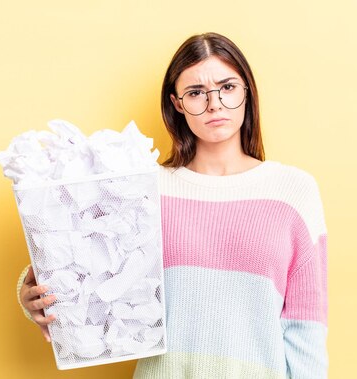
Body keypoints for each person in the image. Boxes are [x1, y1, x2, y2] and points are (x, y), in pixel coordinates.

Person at [17, 32, 329, 378]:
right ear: (177, 103)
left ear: (247, 92)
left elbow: (306, 328)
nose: (214, 104)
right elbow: (76, 256)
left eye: (227, 87)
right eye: (196, 93)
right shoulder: (143, 189)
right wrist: (30, 291)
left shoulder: (293, 191)